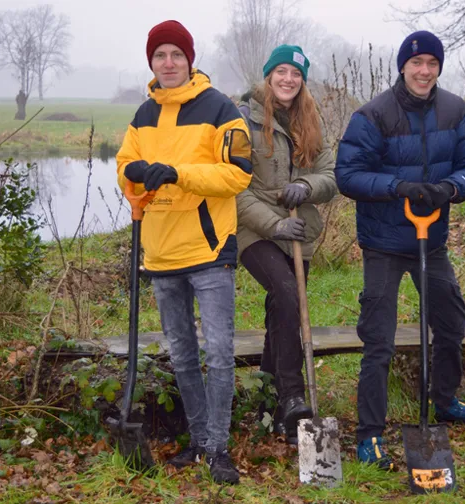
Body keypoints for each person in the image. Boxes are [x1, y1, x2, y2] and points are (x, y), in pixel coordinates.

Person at [334, 30, 465, 471]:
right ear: (403, 66)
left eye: (432, 64)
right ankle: (370, 434)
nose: (424, 71)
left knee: (451, 319)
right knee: (378, 339)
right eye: (416, 63)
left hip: (432, 240)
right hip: (384, 244)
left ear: (439, 68)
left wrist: (450, 188)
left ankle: (443, 401)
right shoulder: (372, 115)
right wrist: (396, 187)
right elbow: (348, 174)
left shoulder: (456, 111)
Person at [115, 19, 252, 485]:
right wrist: (133, 172)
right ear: (151, 62)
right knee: (183, 355)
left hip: (209, 249)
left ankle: (219, 448)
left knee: (218, 352)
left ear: (190, 60)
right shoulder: (142, 115)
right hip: (159, 252)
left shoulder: (220, 109)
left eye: (176, 55)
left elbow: (237, 175)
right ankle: (197, 441)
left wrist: (176, 173)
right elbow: (124, 168)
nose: (168, 63)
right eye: (160, 56)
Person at [235, 45, 338, 445]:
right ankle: (294, 395)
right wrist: (274, 224)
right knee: (287, 294)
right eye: (281, 71)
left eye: (296, 74)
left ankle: (269, 405)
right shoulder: (243, 118)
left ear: (302, 81)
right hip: (255, 227)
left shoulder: (310, 121)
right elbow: (236, 187)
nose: (288, 79)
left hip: (298, 232)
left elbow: (331, 175)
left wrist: (306, 185)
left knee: (281, 312)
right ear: (268, 75)